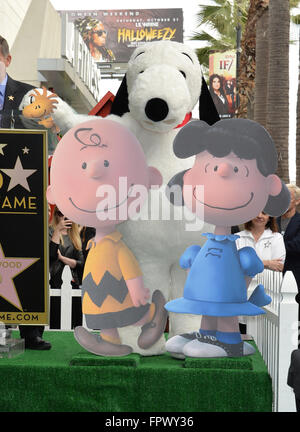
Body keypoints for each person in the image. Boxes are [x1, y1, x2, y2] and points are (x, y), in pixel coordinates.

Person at [0, 35, 51, 349]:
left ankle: (30, 332)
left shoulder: (27, 94)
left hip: (21, 187)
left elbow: (44, 129)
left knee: (25, 250)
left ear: (7, 59)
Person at [49, 206, 84, 329]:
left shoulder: (74, 236)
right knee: (55, 319)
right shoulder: (49, 231)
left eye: (67, 213)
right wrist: (57, 231)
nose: (63, 217)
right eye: (60, 213)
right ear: (55, 215)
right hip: (53, 280)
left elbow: (81, 263)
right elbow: (51, 255)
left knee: (75, 320)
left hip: (72, 283)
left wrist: (63, 259)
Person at [277, 184, 300, 324]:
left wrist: (276, 246)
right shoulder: (273, 220)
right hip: (274, 272)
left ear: (297, 201)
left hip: (294, 273)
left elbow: (297, 245)